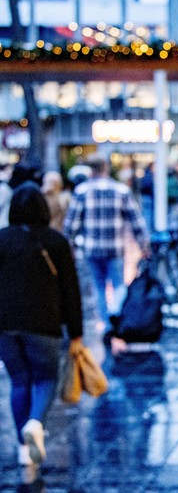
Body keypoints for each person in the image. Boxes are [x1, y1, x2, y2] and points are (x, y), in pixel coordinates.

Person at [0, 184, 83, 466]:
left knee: (19, 380)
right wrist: (76, 332)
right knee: (47, 378)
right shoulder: (56, 242)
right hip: (44, 322)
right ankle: (35, 424)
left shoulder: (1, 239)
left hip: (5, 324)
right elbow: (71, 290)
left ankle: (25, 450)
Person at [63, 155, 150, 338]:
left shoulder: (82, 191)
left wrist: (68, 246)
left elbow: (71, 225)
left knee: (98, 286)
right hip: (115, 247)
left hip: (92, 248)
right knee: (118, 284)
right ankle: (116, 316)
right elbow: (136, 220)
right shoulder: (121, 190)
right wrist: (144, 245)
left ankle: (105, 322)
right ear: (106, 168)